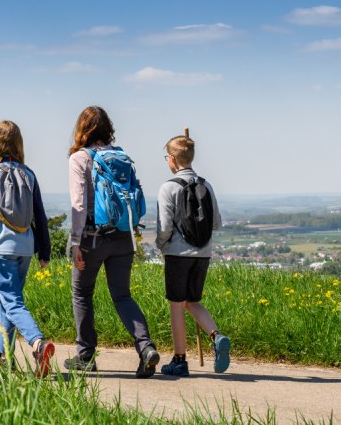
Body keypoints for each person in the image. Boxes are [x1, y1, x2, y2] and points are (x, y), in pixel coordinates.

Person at [65, 106, 159, 377]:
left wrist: (75, 242)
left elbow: (78, 204)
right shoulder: (121, 155)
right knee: (122, 295)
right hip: (124, 236)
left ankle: (85, 356)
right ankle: (145, 347)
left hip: (93, 237)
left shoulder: (80, 158)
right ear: (108, 129)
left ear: (82, 129)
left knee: (82, 294)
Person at [0, 120, 55, 377]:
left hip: (2, 247)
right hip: (26, 246)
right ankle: (4, 357)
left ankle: (38, 344)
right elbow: (40, 215)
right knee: (6, 301)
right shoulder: (29, 174)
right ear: (19, 143)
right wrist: (45, 252)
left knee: (12, 301)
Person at [156, 135, 230, 376]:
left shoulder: (168, 187)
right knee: (192, 302)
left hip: (178, 253)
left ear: (173, 159)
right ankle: (216, 336)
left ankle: (180, 359)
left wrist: (161, 245)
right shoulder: (206, 186)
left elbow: (165, 227)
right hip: (203, 253)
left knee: (177, 306)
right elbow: (216, 223)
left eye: (167, 156)